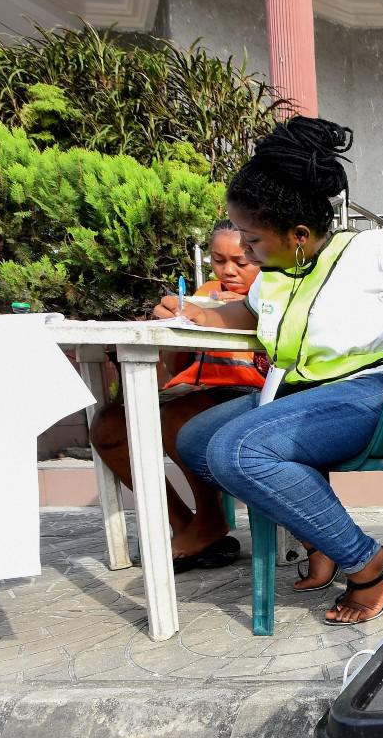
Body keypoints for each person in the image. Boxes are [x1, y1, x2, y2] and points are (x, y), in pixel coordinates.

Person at [159, 116, 383, 626]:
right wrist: (197, 313)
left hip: (380, 397)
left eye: (253, 239)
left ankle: (370, 564)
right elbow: (249, 313)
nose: (244, 252)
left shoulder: (371, 249)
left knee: (236, 450)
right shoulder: (275, 272)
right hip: (299, 396)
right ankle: (321, 538)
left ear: (301, 235)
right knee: (195, 438)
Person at [89, 220, 266, 571]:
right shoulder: (204, 294)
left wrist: (237, 314)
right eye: (218, 260)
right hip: (195, 388)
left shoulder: (273, 293)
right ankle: (188, 525)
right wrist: (181, 322)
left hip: (251, 390)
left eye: (241, 262)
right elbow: (174, 365)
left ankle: (209, 518)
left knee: (183, 416)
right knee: (108, 425)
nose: (228, 271)